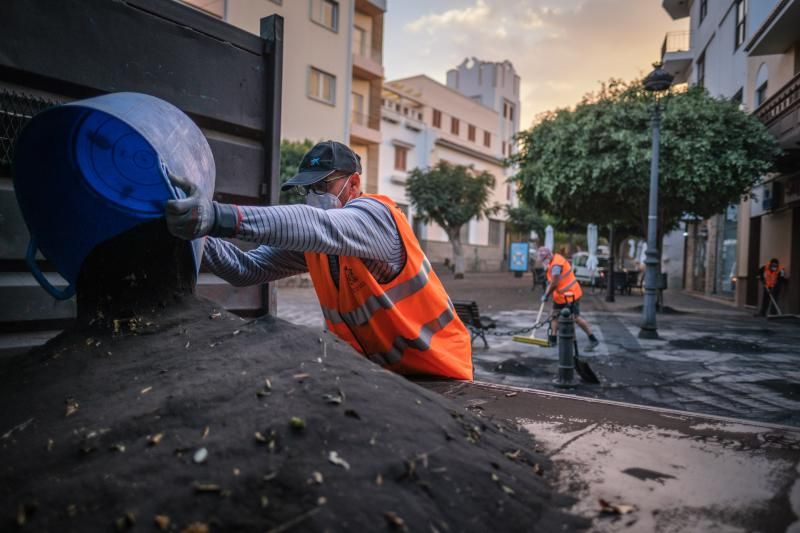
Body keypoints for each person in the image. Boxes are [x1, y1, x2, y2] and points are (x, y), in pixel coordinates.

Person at [163, 140, 473, 380]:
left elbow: (316, 224)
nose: (313, 195)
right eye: (307, 188)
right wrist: (193, 231)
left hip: (440, 373)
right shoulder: (320, 245)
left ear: (353, 183)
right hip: (383, 378)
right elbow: (247, 268)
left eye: (322, 185)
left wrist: (218, 216)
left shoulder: (376, 218)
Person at [537, 246, 600, 352]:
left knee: (575, 318)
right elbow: (551, 282)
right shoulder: (552, 263)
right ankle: (552, 340)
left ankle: (593, 339)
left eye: (543, 259)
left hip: (571, 295)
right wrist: (546, 292)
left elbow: (554, 283)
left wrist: (547, 295)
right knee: (554, 316)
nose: (543, 262)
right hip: (560, 296)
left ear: (548, 256)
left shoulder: (557, 264)